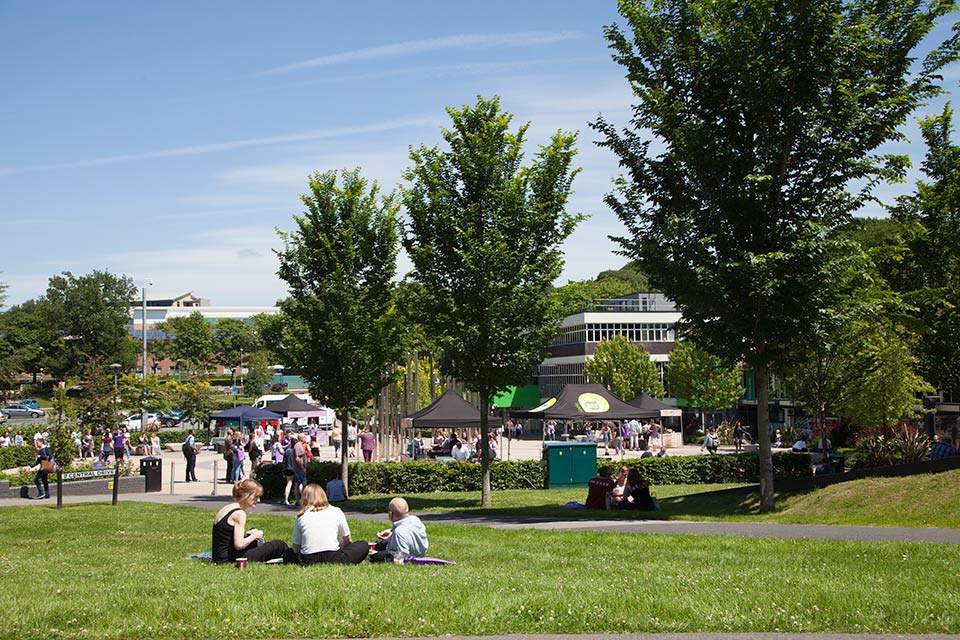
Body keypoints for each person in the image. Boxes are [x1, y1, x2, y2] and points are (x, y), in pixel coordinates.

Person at [212, 479, 292, 565]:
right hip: (230, 559)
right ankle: (291, 557)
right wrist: (255, 536)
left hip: (219, 556)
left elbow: (226, 536)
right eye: (256, 497)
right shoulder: (239, 514)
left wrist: (247, 534)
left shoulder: (227, 508)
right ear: (245, 495)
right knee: (279, 545)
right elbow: (239, 545)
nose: (258, 500)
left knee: (256, 540)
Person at [291, 483, 369, 565]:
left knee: (288, 552)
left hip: (309, 559)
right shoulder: (336, 511)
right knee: (363, 545)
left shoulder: (301, 516)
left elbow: (296, 548)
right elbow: (347, 540)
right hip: (333, 557)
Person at [369, 497, 429, 563]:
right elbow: (408, 531)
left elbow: (401, 557)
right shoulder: (415, 520)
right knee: (380, 542)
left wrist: (377, 554)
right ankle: (374, 545)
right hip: (420, 552)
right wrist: (391, 532)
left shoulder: (399, 532)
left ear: (391, 514)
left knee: (374, 556)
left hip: (407, 555)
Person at [282, 440, 298, 506]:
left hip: (288, 468)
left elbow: (284, 462)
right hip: (296, 469)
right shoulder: (296, 451)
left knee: (289, 484)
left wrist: (283, 470)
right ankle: (297, 499)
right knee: (296, 485)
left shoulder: (287, 451)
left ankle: (286, 499)